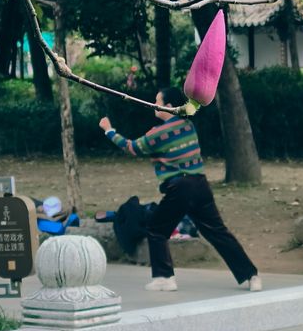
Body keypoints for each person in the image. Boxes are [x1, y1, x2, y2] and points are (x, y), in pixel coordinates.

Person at [99, 87, 261, 292]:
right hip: (200, 185)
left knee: (156, 229)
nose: (153, 104)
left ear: (168, 106)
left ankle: (164, 278)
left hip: (180, 187)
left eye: (157, 101)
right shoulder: (188, 124)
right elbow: (192, 107)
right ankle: (251, 275)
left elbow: (131, 147)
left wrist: (109, 130)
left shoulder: (158, 134)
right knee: (217, 231)